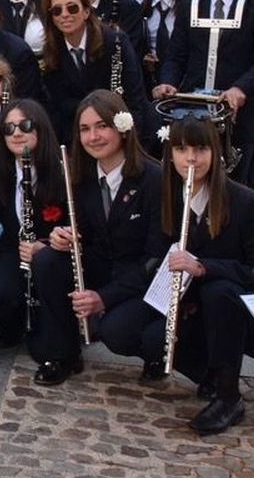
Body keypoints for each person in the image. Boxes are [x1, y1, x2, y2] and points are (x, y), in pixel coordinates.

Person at [139, 114, 254, 433]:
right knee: (152, 340)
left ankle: (228, 395)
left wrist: (204, 267)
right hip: (197, 307)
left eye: (200, 149)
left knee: (217, 291)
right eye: (181, 150)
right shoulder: (167, 197)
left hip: (242, 311)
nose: (191, 158)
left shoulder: (246, 202)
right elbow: (155, 250)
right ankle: (210, 371)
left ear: (215, 152)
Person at [29, 90, 163, 385]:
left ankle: (157, 352)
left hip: (138, 279)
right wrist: (63, 236)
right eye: (85, 129)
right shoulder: (81, 175)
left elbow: (157, 257)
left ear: (123, 128)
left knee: (116, 332)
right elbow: (83, 232)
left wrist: (104, 298)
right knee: (47, 260)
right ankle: (63, 353)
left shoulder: (154, 179)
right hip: (102, 265)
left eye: (102, 126)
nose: (93, 137)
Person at [154, 0, 254, 193]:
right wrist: (168, 81)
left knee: (240, 188)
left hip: (241, 114)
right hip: (194, 111)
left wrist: (241, 88)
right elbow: (176, 53)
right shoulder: (191, 3)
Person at [0, 101, 71, 346]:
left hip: (52, 254)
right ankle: (14, 324)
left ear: (40, 129)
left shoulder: (62, 169)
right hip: (12, 249)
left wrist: (45, 247)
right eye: (9, 128)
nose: (17, 133)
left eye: (25, 125)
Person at [39, 0, 155, 146]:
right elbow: (60, 108)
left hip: (126, 132)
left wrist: (129, 143)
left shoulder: (115, 42)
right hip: (81, 138)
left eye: (72, 8)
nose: (64, 14)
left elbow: (133, 97)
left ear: (86, 11)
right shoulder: (51, 53)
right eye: (57, 11)